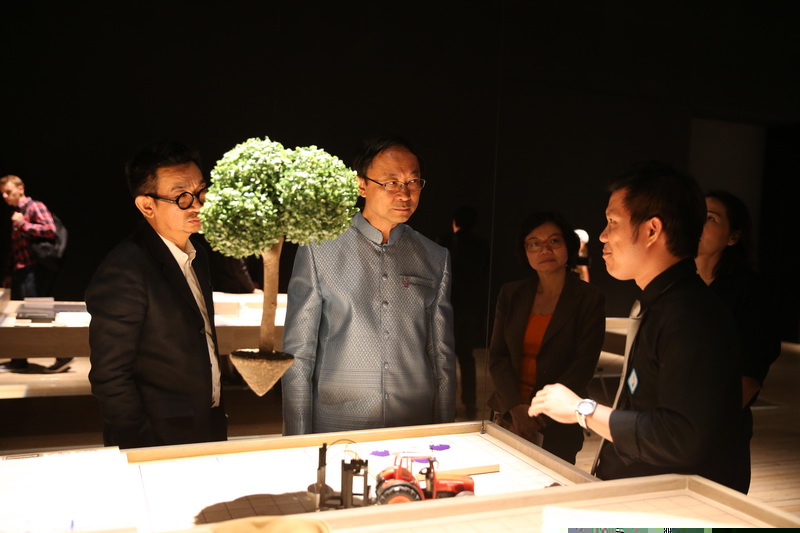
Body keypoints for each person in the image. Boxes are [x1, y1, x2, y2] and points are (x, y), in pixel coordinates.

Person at [529, 160, 748, 493]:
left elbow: (677, 436)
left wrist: (581, 409)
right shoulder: (662, 303)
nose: (603, 235)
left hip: (675, 506)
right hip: (644, 493)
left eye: (612, 222)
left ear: (651, 231)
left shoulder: (689, 314)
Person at [281, 135, 456, 435]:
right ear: (361, 185)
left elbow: (442, 357)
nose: (404, 194)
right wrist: (297, 439)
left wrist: (445, 432)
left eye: (413, 182)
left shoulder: (434, 257)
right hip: (338, 422)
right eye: (391, 182)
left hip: (413, 421)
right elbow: (298, 355)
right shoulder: (319, 249)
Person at [85, 141, 227, 449]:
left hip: (207, 422)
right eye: (181, 197)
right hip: (158, 437)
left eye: (201, 191)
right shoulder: (125, 268)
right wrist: (140, 445)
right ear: (147, 206)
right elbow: (110, 376)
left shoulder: (197, 255)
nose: (197, 204)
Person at [488, 212, 605, 463]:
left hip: (557, 420)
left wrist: (537, 412)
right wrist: (516, 408)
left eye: (554, 241)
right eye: (534, 243)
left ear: (568, 246)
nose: (544, 250)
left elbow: (583, 366)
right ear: (525, 251)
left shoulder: (589, 298)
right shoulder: (511, 293)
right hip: (507, 413)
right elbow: (498, 357)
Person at [696, 189, 781, 491]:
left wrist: (701, 426)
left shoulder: (749, 291)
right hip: (669, 430)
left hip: (718, 434)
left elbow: (750, 374)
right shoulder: (677, 284)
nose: (698, 222)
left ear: (733, 237)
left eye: (710, 218)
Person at [0, 174, 73, 374]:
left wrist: (23, 223)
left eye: (8, 192)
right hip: (22, 270)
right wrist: (9, 272)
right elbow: (16, 248)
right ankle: (18, 360)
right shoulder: (18, 213)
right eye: (3, 193)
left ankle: (64, 354)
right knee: (20, 316)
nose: (5, 196)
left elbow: (50, 230)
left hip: (35, 270)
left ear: (20, 189)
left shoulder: (33, 207)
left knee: (39, 314)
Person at [440, 205, 489, 420]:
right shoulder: (481, 245)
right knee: (467, 358)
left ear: (454, 222)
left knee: (446, 359)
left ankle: (447, 405)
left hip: (448, 307)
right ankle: (470, 404)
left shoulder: (446, 242)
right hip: (471, 307)